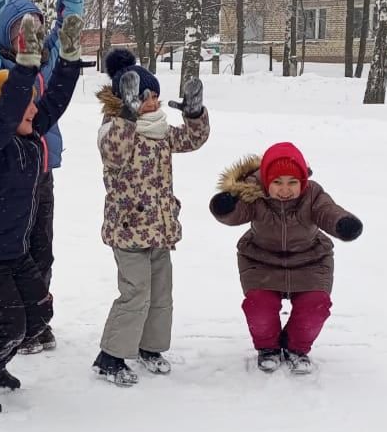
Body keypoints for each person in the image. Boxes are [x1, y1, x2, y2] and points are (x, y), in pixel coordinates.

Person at [0, 13, 85, 412]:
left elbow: (54, 101)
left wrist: (70, 60)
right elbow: (9, 113)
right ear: (0, 110)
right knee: (9, 322)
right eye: (24, 105)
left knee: (39, 312)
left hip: (13, 249)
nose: (33, 112)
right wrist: (24, 67)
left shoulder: (29, 133)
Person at [0, 0, 84, 354]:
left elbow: (68, 31)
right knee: (11, 253)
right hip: (5, 180)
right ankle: (10, 320)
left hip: (42, 174)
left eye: (34, 26)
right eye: (21, 29)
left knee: (41, 251)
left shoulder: (46, 66)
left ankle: (36, 322)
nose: (29, 35)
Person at [93, 49, 209, 386]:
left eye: (156, 96)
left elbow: (192, 139)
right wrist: (128, 115)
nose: (154, 103)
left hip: (159, 228)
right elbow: (115, 154)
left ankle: (150, 347)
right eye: (145, 97)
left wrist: (195, 112)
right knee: (135, 292)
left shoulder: (159, 132)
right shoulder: (115, 130)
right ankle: (110, 356)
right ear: (126, 99)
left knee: (161, 293)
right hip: (128, 231)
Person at [209, 142, 363, 373]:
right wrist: (225, 208)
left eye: (293, 183)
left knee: (315, 306)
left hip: (310, 260)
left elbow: (327, 210)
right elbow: (237, 213)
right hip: (260, 260)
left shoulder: (313, 194)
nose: (285, 189)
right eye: (277, 182)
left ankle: (296, 347)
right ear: (266, 182)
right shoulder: (254, 194)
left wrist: (342, 224)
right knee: (259, 306)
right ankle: (268, 347)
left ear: (303, 182)